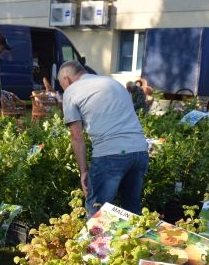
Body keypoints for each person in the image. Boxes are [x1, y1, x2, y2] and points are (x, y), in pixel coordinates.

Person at [59, 60, 149, 216]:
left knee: (97, 211)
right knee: (132, 211)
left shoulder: (71, 91)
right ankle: (135, 240)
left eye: (62, 84)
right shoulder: (112, 83)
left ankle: (96, 240)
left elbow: (77, 136)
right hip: (140, 150)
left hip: (110, 154)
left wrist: (83, 171)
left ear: (66, 79)